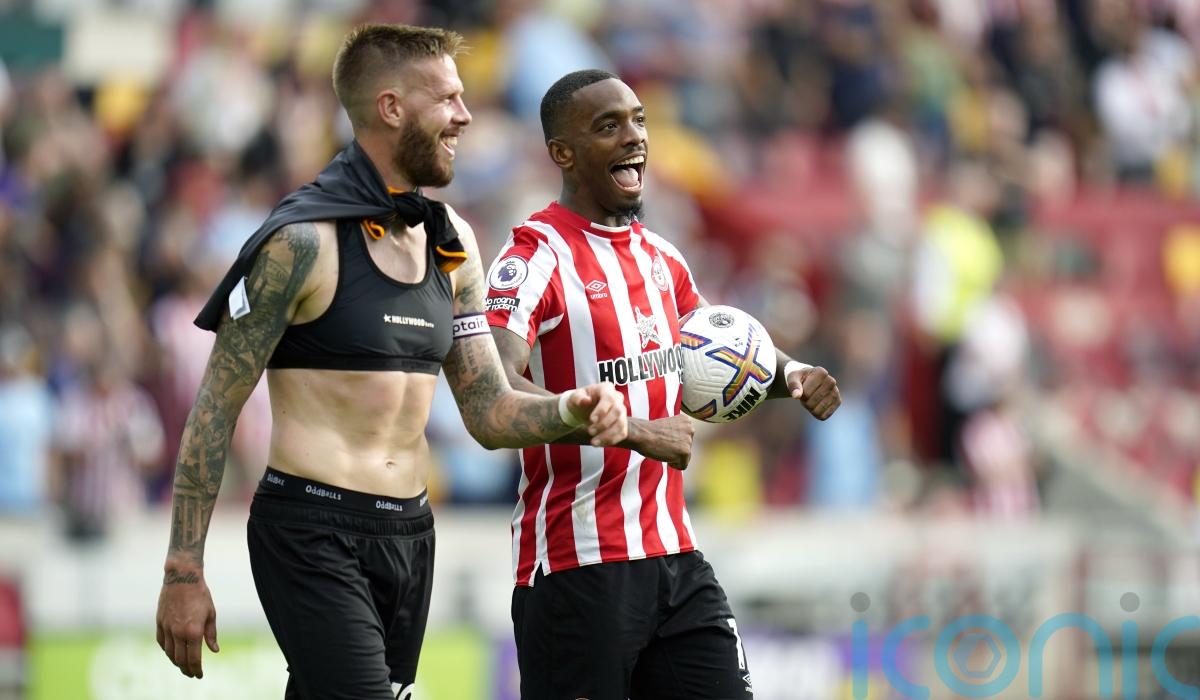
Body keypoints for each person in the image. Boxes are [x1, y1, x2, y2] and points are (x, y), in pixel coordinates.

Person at [153, 26, 628, 700]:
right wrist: (182, 570)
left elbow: (487, 410)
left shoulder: (452, 241)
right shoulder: (300, 242)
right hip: (312, 531)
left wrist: (568, 409)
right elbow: (213, 408)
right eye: (448, 99)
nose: (466, 115)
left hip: (410, 534)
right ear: (391, 107)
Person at [484, 69, 843, 700]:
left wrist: (793, 374)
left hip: (676, 557)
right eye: (609, 126)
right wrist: (628, 428)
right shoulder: (533, 258)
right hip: (577, 566)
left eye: (639, 120)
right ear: (562, 153)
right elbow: (494, 390)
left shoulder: (662, 258)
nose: (634, 137)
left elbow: (719, 354)